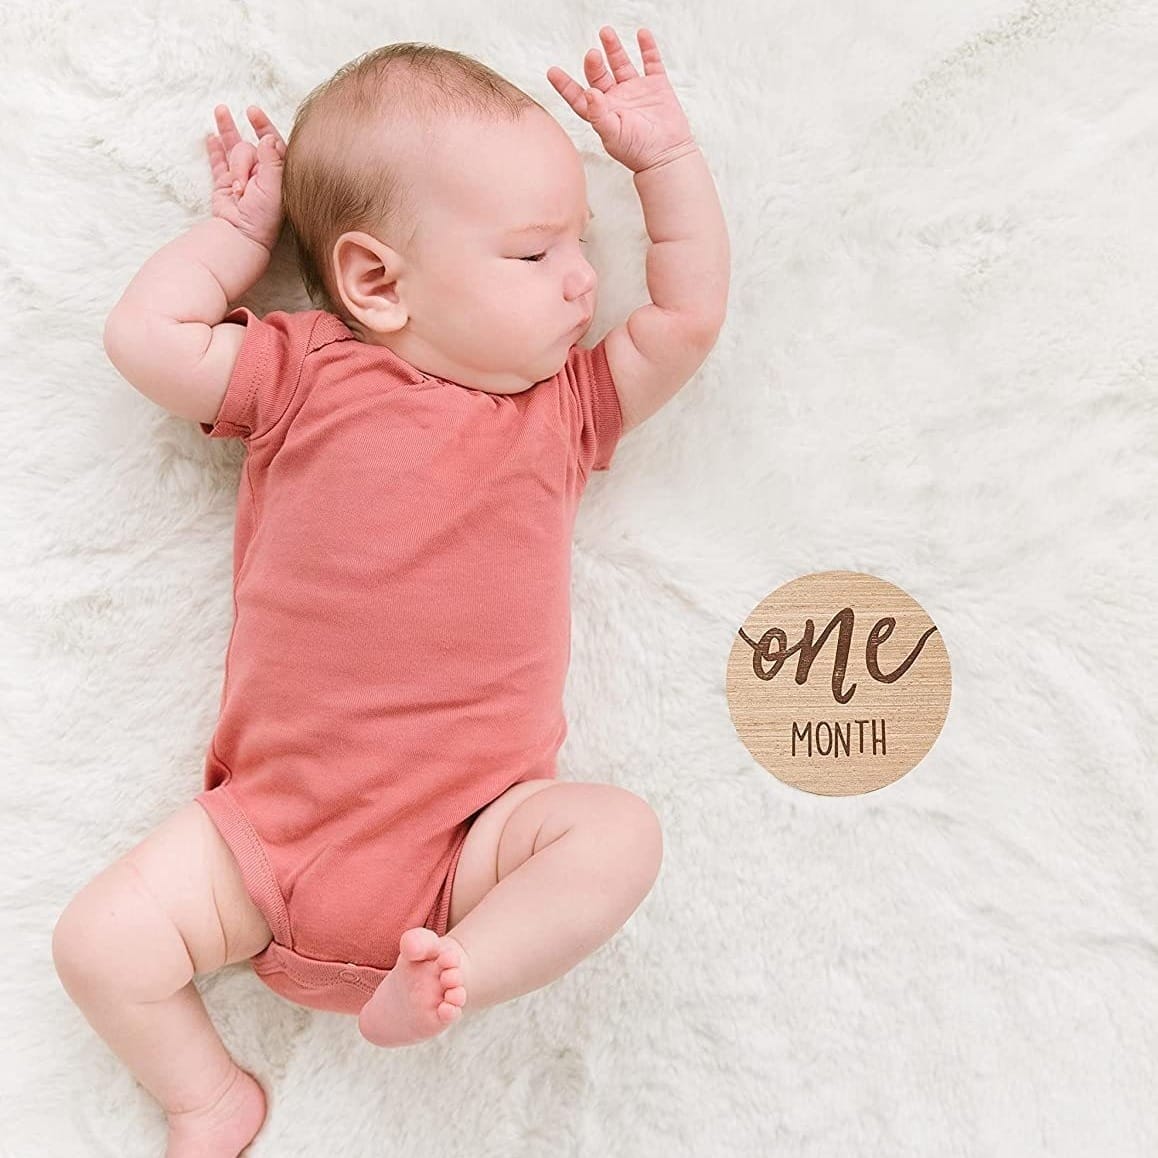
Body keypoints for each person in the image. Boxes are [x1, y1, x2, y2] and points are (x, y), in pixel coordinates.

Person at [52, 26, 729, 1157]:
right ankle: (207, 1096)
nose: (584, 278)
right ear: (375, 279)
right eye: (533, 254)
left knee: (619, 836)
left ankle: (469, 969)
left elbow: (686, 318)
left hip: (469, 848)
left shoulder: (556, 411)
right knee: (96, 947)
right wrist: (232, 237)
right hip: (265, 842)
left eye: (580, 244)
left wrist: (665, 164)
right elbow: (145, 334)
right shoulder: (305, 372)